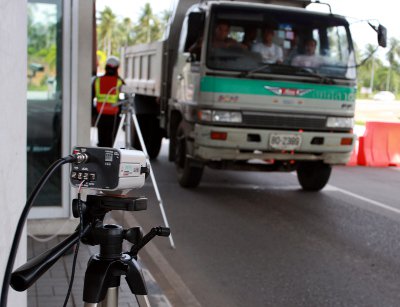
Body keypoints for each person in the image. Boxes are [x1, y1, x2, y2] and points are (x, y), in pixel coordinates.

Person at [92, 56, 125, 147]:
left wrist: (93, 113)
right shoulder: (119, 81)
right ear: (116, 68)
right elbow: (125, 97)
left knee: (101, 140)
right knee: (110, 142)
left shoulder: (97, 80)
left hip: (100, 113)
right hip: (113, 115)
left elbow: (91, 97)